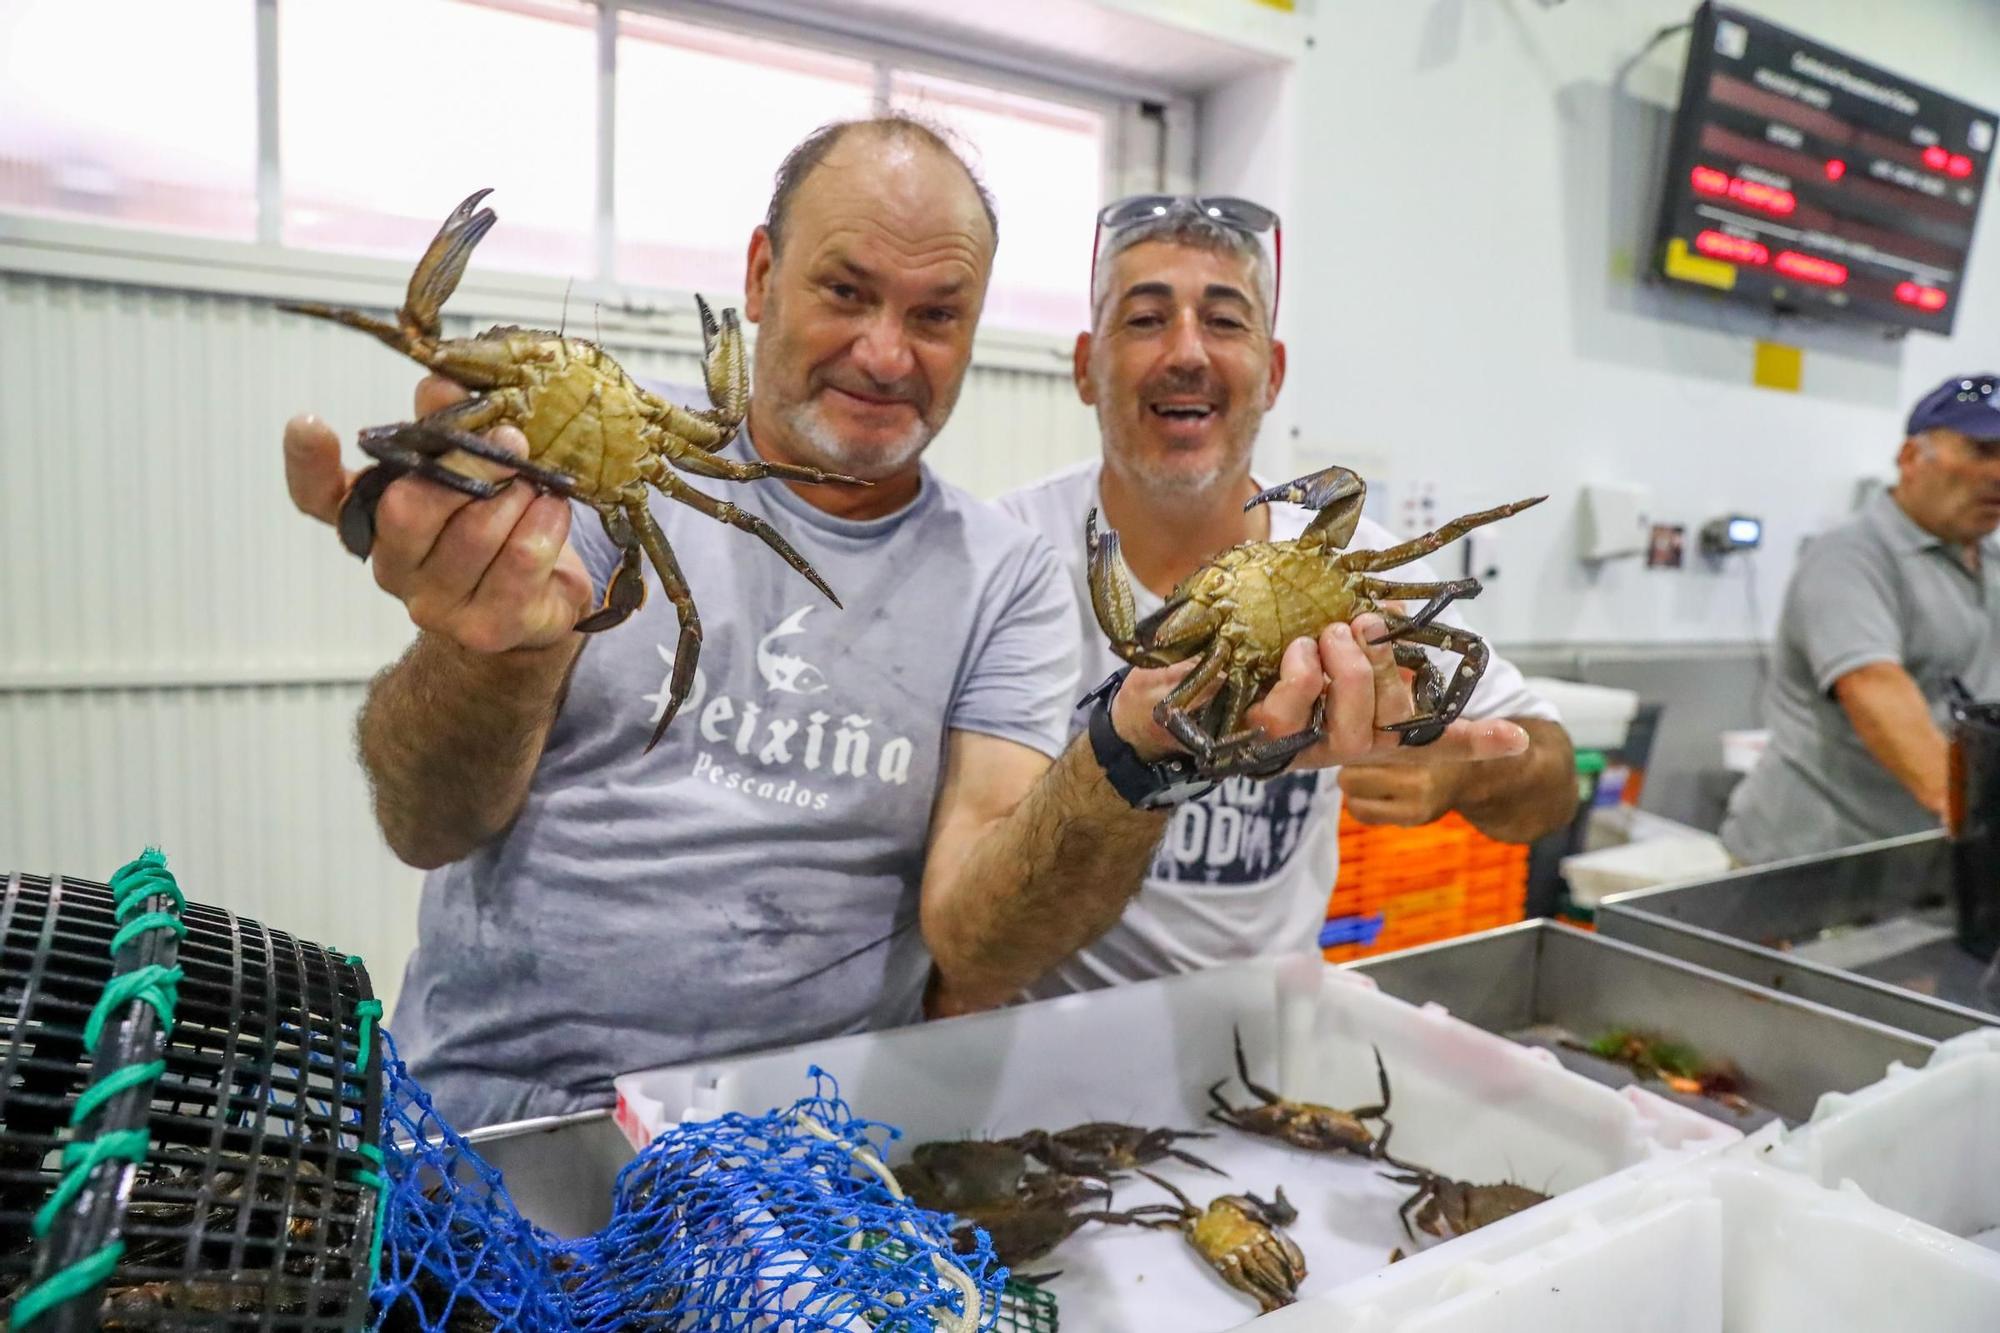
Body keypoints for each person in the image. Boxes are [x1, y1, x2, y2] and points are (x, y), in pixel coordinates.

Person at [281, 117, 1527, 1130]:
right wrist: (490, 646)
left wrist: (1137, 750)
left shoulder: (1006, 572)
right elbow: (424, 821)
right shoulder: (587, 487)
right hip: (500, 1114)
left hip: (811, 1140)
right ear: (760, 276)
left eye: (935, 315)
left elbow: (972, 942)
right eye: (844, 290)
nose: (886, 352)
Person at [997, 195, 1579, 996]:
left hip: (1271, 1022)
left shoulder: (1355, 565)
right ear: (1084, 366)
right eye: (1145, 320)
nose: (1187, 351)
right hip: (1040, 1028)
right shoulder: (1005, 560)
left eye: (1225, 321)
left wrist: (1451, 774)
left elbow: (1550, 772)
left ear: (1272, 374)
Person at [1721, 374, 2000, 866]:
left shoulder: (1990, 563)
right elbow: (1875, 688)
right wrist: (1976, 818)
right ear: (1912, 458)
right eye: (1981, 450)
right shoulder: (1850, 556)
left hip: (1918, 858)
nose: (1997, 473)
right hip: (1809, 863)